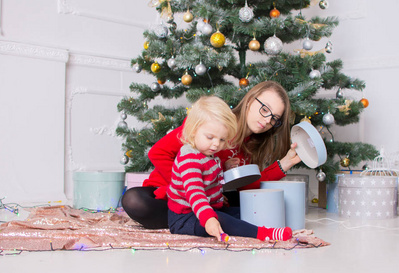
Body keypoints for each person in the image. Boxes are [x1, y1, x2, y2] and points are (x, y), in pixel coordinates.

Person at [122, 81, 301, 229]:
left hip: (206, 200)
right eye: (265, 109)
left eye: (274, 118)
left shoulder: (251, 147)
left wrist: (285, 163)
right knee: (134, 200)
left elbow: (249, 187)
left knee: (246, 204)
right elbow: (159, 152)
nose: (267, 120)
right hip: (170, 192)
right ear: (249, 101)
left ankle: (197, 220)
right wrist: (189, 189)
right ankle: (198, 220)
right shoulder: (212, 121)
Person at [167, 96, 292, 242]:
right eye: (210, 137)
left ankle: (265, 226)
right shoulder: (189, 158)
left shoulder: (208, 154)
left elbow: (209, 175)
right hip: (185, 217)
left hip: (210, 208)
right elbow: (195, 193)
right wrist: (209, 219)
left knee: (243, 213)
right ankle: (264, 234)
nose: (216, 145)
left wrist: (224, 167)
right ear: (194, 131)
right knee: (223, 221)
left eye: (221, 140)